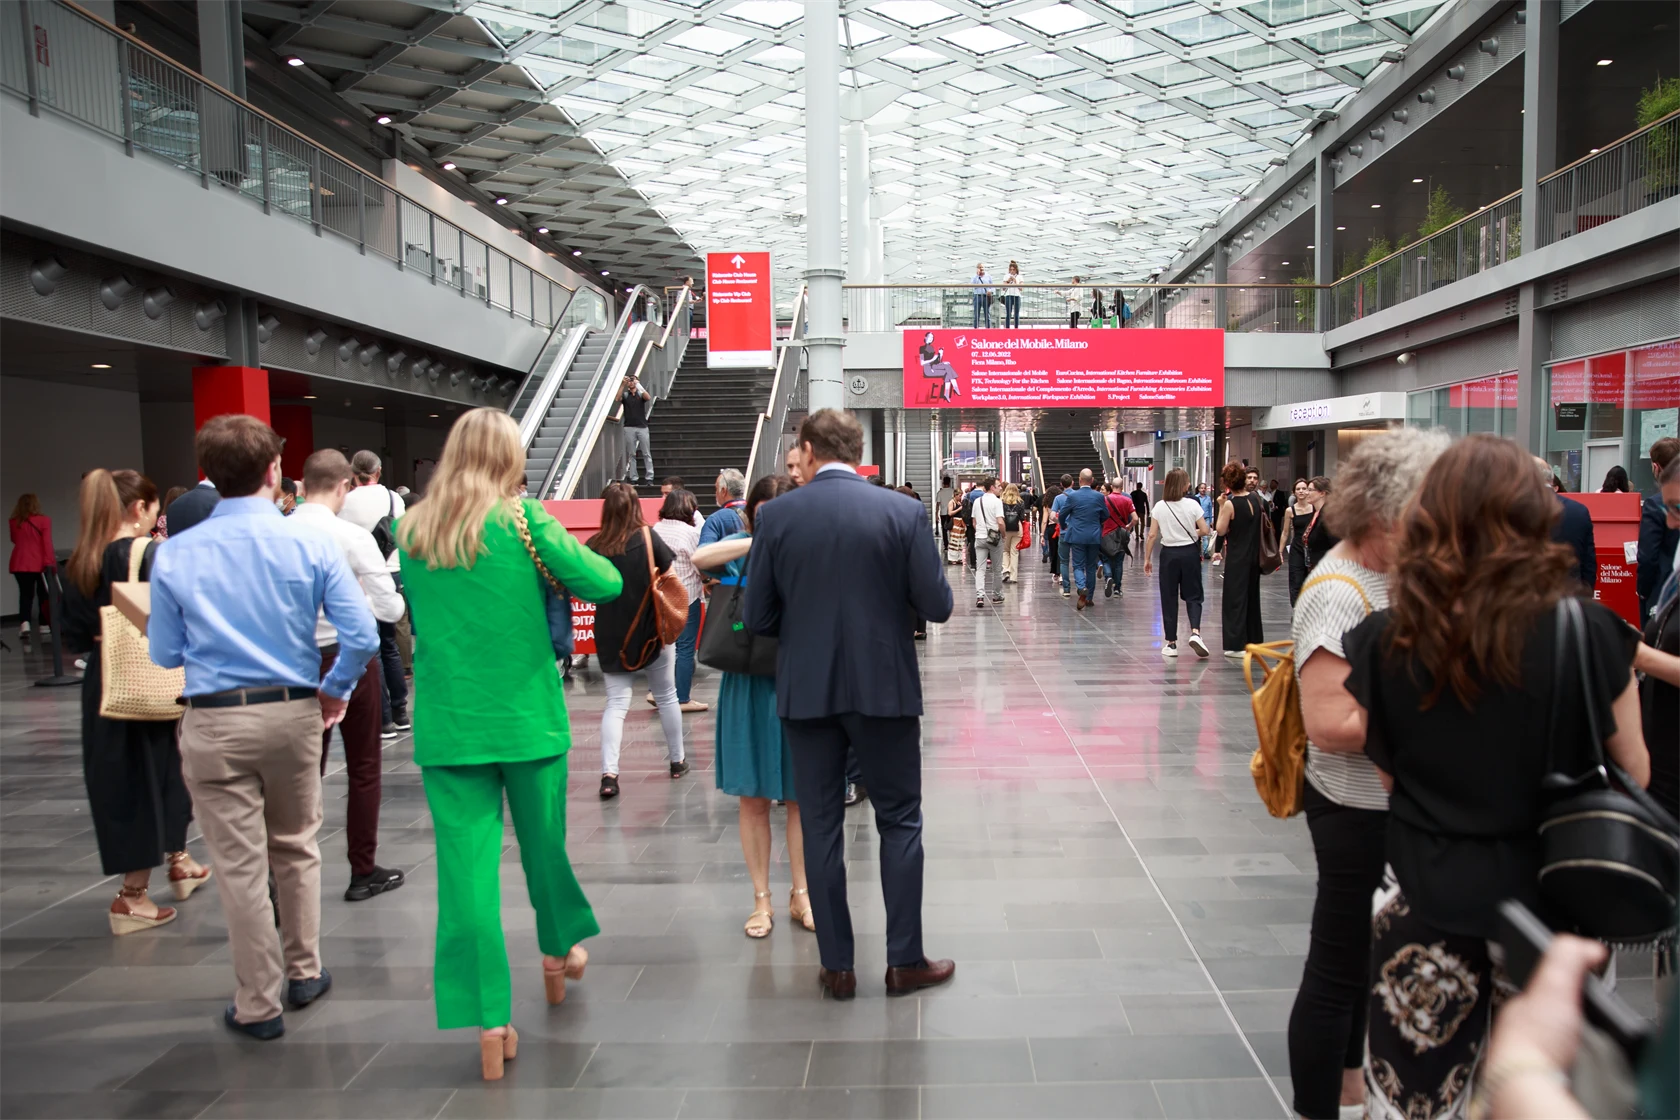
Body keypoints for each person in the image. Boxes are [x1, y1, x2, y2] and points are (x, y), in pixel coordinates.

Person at [1334, 434, 1648, 1120]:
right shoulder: (1590, 631)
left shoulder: (1387, 637)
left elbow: (1388, 777)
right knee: (1534, 1090)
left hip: (1424, 898)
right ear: (1536, 517)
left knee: (1412, 1103)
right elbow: (1635, 768)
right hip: (1552, 911)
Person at [395, 407, 623, 1080]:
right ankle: (557, 952)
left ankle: (490, 1019)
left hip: (449, 723)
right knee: (545, 850)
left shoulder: (412, 530)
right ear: (509, 458)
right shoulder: (526, 522)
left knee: (465, 875)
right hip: (526, 719)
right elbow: (604, 584)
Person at [149, 414, 380, 1040]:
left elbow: (165, 655)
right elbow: (359, 635)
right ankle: (305, 970)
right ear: (276, 471)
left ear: (210, 476)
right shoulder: (311, 543)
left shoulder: (174, 554)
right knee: (297, 845)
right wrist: (333, 694)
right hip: (292, 710)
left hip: (215, 719)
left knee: (239, 865)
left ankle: (258, 1002)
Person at [744, 409, 955, 1001]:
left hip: (807, 691)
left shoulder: (778, 516)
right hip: (884, 689)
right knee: (900, 820)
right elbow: (937, 605)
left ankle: (837, 966)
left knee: (820, 824)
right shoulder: (902, 511)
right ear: (855, 451)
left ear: (808, 449)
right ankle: (903, 961)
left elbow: (757, 618)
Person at [1284, 429, 1447, 1120]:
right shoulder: (1338, 593)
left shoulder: (1395, 573)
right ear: (1383, 513)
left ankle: (1352, 1082)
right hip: (1353, 807)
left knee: (1359, 960)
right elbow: (1330, 724)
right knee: (1338, 965)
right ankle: (1317, 1104)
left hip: (1396, 803)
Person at [60, 469, 210, 936]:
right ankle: (132, 897)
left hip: (106, 681)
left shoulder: (82, 561)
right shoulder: (149, 554)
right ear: (137, 509)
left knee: (147, 776)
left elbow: (71, 638)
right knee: (154, 775)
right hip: (151, 676)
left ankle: (179, 860)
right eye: (151, 508)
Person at [692, 474, 814, 939]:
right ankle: (761, 898)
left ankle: (801, 893)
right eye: (766, 513)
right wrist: (753, 543)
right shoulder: (743, 543)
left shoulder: (809, 548)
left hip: (799, 681)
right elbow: (700, 558)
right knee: (753, 798)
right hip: (748, 684)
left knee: (802, 798)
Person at [293, 450, 408, 902]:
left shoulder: (280, 531)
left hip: (294, 661)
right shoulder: (351, 537)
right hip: (349, 658)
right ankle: (363, 869)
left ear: (303, 485)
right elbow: (390, 609)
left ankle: (285, 872)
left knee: (302, 772)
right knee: (363, 766)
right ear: (344, 486)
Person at [589, 482, 686, 798]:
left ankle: (609, 774)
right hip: (651, 633)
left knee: (616, 704)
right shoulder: (647, 538)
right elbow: (670, 574)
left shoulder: (594, 545)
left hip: (611, 635)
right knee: (667, 696)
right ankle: (676, 761)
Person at [339, 451, 410, 738]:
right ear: (378, 471)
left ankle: (383, 720)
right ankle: (400, 710)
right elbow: (403, 535)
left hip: (361, 578)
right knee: (389, 644)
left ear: (354, 473)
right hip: (392, 573)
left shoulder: (346, 501)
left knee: (374, 648)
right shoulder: (395, 499)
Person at [1142, 468, 1210, 658]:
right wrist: (1189, 532)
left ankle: (1171, 643)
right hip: (1190, 553)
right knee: (1194, 594)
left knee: (1169, 597)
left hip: (1169, 555)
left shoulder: (1159, 506)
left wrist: (1147, 559)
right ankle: (1195, 632)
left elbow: (1153, 535)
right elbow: (1204, 529)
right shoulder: (1192, 505)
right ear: (1183, 485)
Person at [652, 488, 707, 714]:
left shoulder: (656, 529)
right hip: (686, 596)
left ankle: (659, 693)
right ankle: (682, 697)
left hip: (660, 594)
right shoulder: (690, 533)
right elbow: (700, 566)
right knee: (685, 648)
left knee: (664, 646)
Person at [1214, 462, 1266, 658]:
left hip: (1237, 558)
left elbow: (1220, 529)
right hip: (1254, 557)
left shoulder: (1230, 504)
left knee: (1234, 600)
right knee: (1252, 598)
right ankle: (1253, 639)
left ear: (1227, 483)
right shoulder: (1254, 499)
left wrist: (1221, 506)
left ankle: (1236, 644)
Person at [1638, 437, 1680, 623]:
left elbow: (1648, 556)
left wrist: (1643, 591)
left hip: (1663, 593)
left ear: (1656, 467)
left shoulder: (1654, 505)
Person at [1541, 456, 1598, 590]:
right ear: (1551, 479)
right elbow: (1589, 562)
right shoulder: (1578, 510)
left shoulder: (1513, 509)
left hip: (1526, 598)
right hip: (1570, 592)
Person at [1059, 469, 1107, 610]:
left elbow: (1062, 514)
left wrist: (1064, 525)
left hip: (1077, 535)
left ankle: (1081, 587)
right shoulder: (1098, 496)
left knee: (1078, 565)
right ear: (1092, 481)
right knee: (1091, 567)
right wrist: (1097, 522)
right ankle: (1089, 598)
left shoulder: (1073, 496)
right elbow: (1106, 514)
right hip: (1094, 535)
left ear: (1079, 480)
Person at [9, 492, 55, 639]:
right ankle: (43, 624)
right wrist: (50, 562)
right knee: (43, 595)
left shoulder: (14, 522)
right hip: (40, 563)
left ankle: (25, 624)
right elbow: (46, 543)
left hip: (19, 562)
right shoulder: (44, 520)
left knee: (25, 594)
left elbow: (14, 540)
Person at [970, 476, 1004, 608]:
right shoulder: (997, 502)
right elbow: (1000, 522)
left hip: (980, 537)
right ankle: (997, 595)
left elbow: (974, 522)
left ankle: (979, 596)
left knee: (980, 568)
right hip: (994, 537)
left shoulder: (977, 501)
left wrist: (980, 531)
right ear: (992, 487)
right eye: (998, 485)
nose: (1000, 488)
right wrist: (1004, 534)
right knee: (997, 569)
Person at [1100, 482, 1137, 598]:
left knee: (1106, 559)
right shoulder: (1127, 500)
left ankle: (1108, 576)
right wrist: (1129, 526)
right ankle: (1117, 588)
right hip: (1121, 535)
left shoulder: (1104, 500)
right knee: (1119, 563)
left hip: (1106, 534)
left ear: (1111, 488)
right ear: (1122, 487)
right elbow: (1135, 518)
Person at [1282, 478, 1313, 605]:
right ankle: (1296, 607)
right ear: (1294, 492)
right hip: (1297, 548)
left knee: (1310, 579)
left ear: (1308, 491)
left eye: (1304, 489)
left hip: (1311, 548)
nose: (1301, 491)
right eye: (1298, 489)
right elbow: (1285, 532)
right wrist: (1280, 551)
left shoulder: (1315, 509)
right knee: (1296, 579)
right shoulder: (1290, 510)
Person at [1300, 476, 1339, 577]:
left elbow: (1336, 545)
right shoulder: (1314, 514)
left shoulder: (1329, 516)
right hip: (1313, 568)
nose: (1306, 492)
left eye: (1310, 490)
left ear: (1322, 493)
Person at [698, 469, 747, 547]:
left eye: (716, 489)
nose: (715, 493)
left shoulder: (715, 520)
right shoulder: (758, 513)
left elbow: (703, 552)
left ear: (723, 491)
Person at [619, 373, 654, 484]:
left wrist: (638, 384)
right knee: (632, 453)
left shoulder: (640, 393)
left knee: (646, 453)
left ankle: (649, 477)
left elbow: (648, 397)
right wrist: (623, 384)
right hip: (629, 427)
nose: (631, 382)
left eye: (633, 380)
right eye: (630, 380)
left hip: (642, 426)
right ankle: (634, 478)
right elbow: (617, 398)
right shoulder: (625, 395)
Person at [1051, 473, 1075, 595]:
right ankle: (1081, 585)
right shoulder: (1078, 496)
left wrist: (1060, 522)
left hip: (1064, 532)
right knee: (1078, 560)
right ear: (1073, 483)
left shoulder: (1058, 498)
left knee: (1064, 561)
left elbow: (1052, 516)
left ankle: (1066, 589)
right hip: (1077, 532)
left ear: (1061, 484)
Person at [1000, 482, 1025, 583]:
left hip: (1005, 528)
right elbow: (1022, 517)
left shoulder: (1001, 501)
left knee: (1005, 551)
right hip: (1017, 527)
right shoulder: (1020, 502)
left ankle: (1006, 571)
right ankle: (1014, 577)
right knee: (1014, 552)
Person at [935, 475, 954, 553]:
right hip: (952, 513)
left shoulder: (940, 492)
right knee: (952, 529)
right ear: (949, 482)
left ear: (943, 483)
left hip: (943, 513)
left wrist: (936, 514)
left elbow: (937, 504)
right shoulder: (953, 491)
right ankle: (952, 545)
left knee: (944, 529)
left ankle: (946, 545)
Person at [1196, 483, 1215, 560]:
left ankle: (1205, 552)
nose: (1203, 490)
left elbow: (1210, 510)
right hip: (1197, 519)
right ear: (1199, 489)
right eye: (1201, 488)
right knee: (1197, 536)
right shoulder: (1196, 498)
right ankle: (1198, 552)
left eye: (1204, 488)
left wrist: (1211, 520)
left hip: (1206, 518)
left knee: (1205, 536)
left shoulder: (1208, 498)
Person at [970, 263, 992, 329]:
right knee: (976, 314)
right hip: (977, 296)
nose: (981, 269)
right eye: (979, 267)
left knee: (987, 314)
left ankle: (988, 329)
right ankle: (976, 329)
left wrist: (990, 291)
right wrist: (977, 275)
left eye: (982, 267)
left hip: (985, 296)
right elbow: (973, 285)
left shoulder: (988, 276)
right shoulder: (974, 277)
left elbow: (992, 286)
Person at [1001, 261, 1022, 329]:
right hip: (1008, 295)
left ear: (1016, 270)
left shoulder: (1019, 277)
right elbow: (1003, 288)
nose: (1012, 271)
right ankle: (1007, 328)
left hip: (1017, 296)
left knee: (1016, 314)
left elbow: (1021, 288)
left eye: (1013, 269)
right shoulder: (1006, 276)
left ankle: (1016, 328)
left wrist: (1015, 281)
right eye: (1011, 269)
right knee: (1008, 313)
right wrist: (1008, 281)